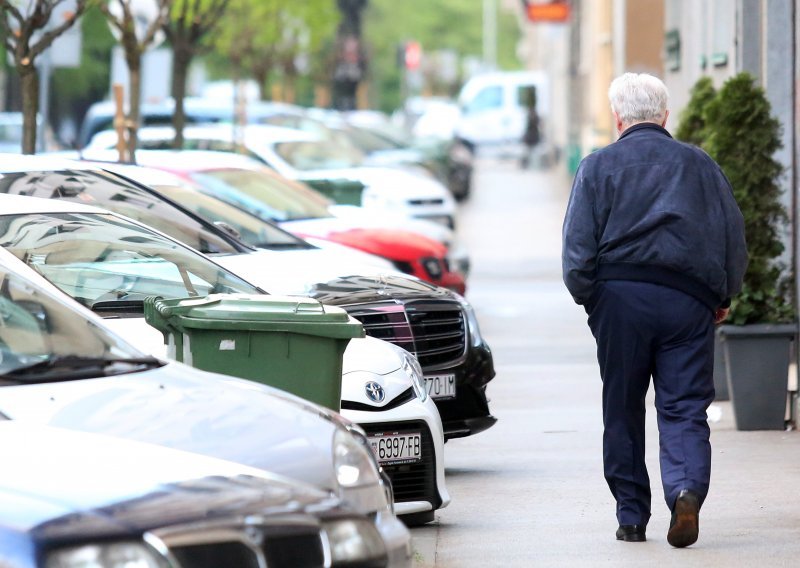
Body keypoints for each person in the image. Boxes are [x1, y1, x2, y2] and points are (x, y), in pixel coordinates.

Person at [561, 73, 748, 548]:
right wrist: (722, 296)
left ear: (617, 118)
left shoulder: (597, 167)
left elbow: (577, 254)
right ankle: (685, 489)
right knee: (685, 405)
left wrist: (594, 300)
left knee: (622, 405)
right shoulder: (701, 165)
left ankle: (631, 516)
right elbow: (733, 238)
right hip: (687, 300)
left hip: (620, 298)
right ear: (666, 116)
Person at [520, 88, 540, 169]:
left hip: (532, 136)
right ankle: (527, 164)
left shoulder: (532, 115)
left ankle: (528, 165)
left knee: (529, 151)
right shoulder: (532, 115)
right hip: (532, 135)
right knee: (529, 151)